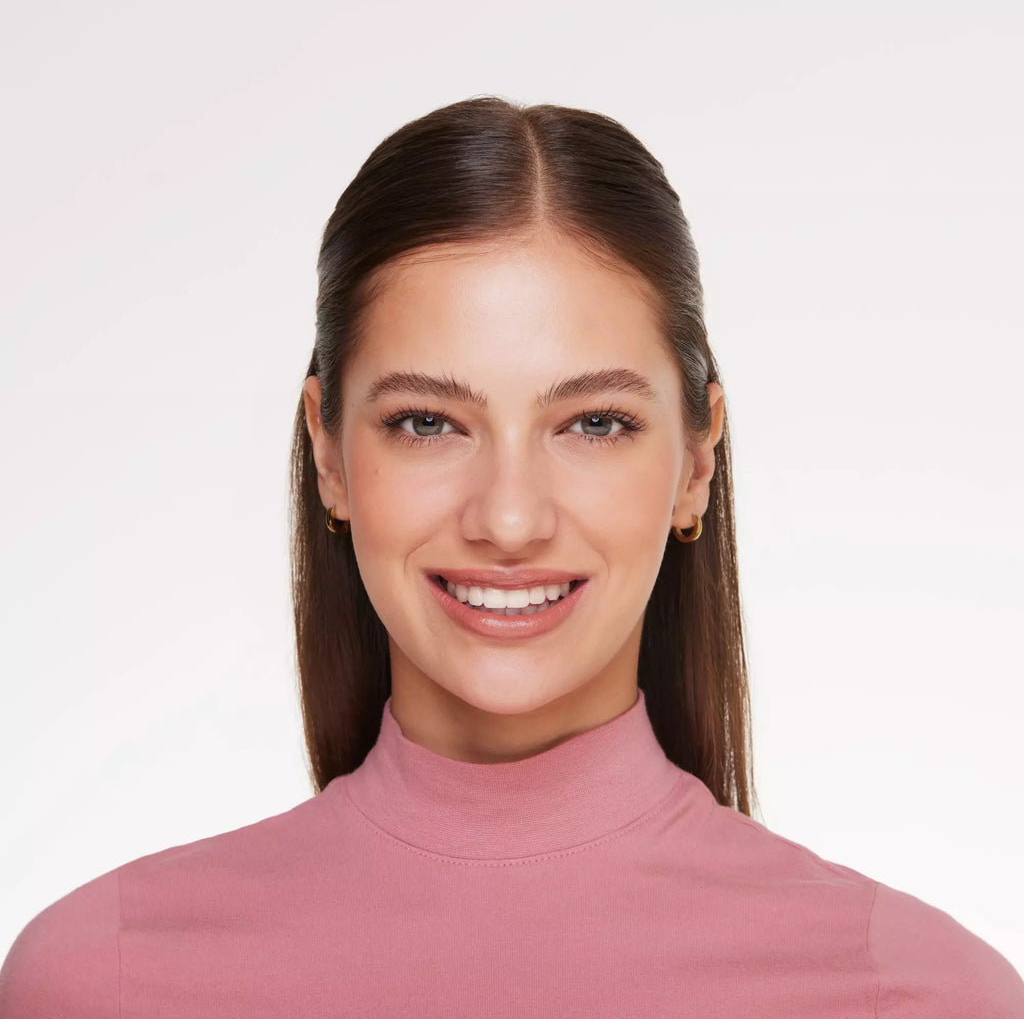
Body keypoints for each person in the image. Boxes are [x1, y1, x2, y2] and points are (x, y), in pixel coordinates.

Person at [1, 94, 1021, 1017]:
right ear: (329, 454)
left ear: (698, 462)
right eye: (426, 423)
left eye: (595, 423)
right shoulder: (101, 981)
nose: (510, 518)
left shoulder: (917, 996)